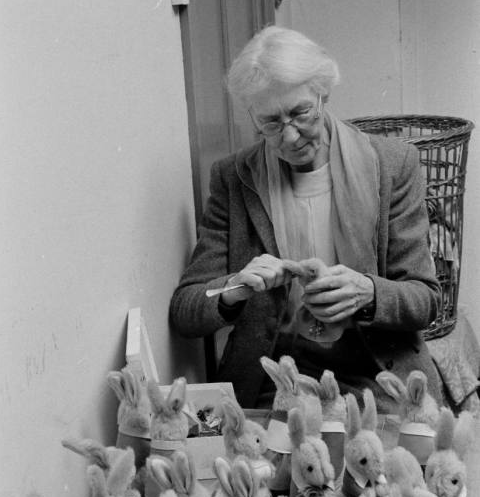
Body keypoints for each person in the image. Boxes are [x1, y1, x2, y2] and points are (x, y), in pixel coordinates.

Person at [169, 26, 442, 412]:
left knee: (380, 465)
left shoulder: (392, 165)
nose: (291, 136)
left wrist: (368, 292)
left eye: (300, 113)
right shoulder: (234, 178)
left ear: (322, 93)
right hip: (277, 376)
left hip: (377, 372)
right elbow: (187, 308)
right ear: (251, 116)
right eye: (271, 123)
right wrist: (233, 288)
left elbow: (426, 299)